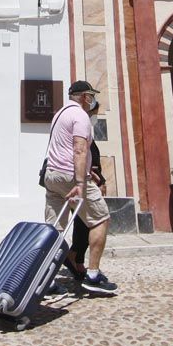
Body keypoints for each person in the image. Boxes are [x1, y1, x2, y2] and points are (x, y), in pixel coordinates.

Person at [43, 81, 117, 295]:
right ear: (85, 97)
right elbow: (79, 150)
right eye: (91, 95)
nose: (92, 100)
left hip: (52, 175)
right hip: (70, 176)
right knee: (100, 218)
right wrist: (80, 183)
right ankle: (93, 275)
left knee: (54, 229)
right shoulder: (81, 116)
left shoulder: (59, 114)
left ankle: (46, 280)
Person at [64, 98, 106, 281]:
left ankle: (76, 259)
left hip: (79, 180)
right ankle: (85, 266)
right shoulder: (79, 122)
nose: (94, 116)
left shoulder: (82, 125)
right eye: (93, 112)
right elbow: (80, 152)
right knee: (94, 221)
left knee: (83, 224)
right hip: (78, 181)